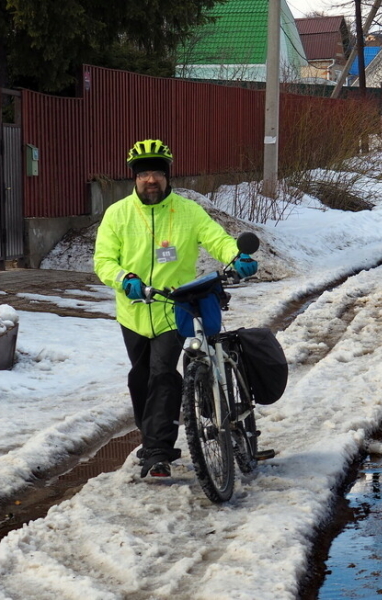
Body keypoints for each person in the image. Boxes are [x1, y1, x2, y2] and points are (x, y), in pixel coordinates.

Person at [93, 139, 259, 478]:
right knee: (140, 380)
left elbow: (217, 238)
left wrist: (236, 256)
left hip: (174, 307)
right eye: (143, 173)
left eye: (156, 172)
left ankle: (157, 451)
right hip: (134, 311)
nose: (150, 179)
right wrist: (125, 279)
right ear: (134, 178)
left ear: (168, 176)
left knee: (162, 375)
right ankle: (154, 435)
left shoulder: (187, 211)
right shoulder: (118, 214)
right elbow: (104, 260)